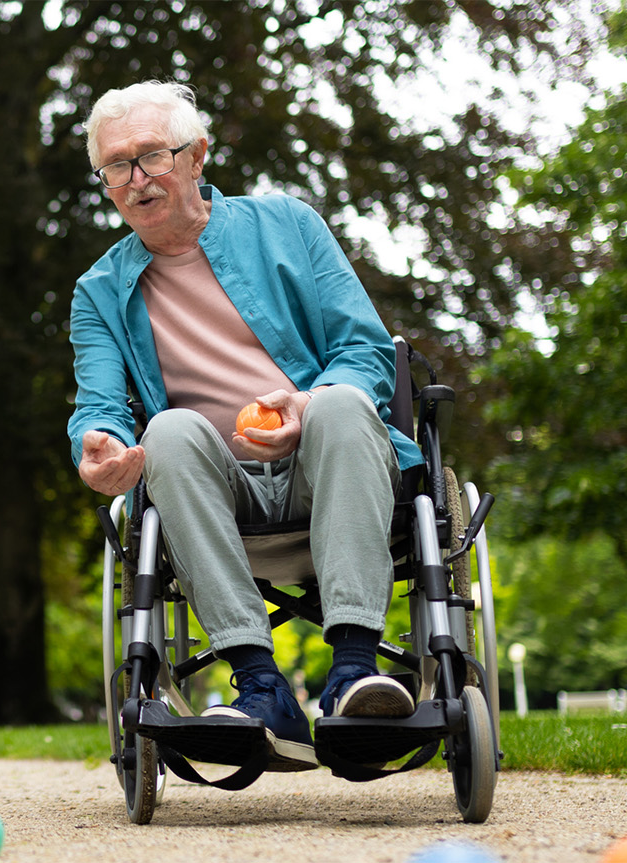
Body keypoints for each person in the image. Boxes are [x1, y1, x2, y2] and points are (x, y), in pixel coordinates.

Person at [66, 81, 426, 771]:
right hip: (216, 493)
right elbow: (100, 405)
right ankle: (261, 687)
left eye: (153, 157)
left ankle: (353, 676)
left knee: (344, 401)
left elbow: (366, 351)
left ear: (197, 156)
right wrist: (99, 445)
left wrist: (306, 404)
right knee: (167, 430)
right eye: (117, 165)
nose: (136, 180)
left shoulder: (288, 224)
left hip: (331, 468)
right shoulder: (99, 291)